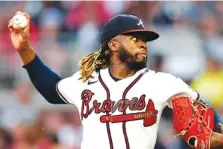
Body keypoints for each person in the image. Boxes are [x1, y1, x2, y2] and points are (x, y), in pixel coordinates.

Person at [8, 11, 223, 149]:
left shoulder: (162, 82)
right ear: (112, 45)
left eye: (144, 40)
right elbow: (51, 89)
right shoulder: (86, 82)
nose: (142, 44)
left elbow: (206, 111)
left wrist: (218, 132)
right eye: (134, 38)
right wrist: (24, 49)